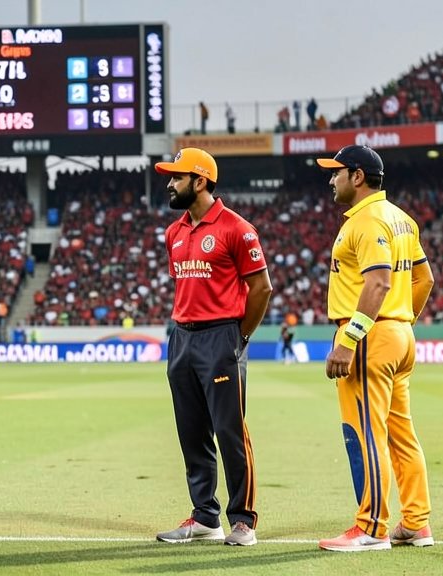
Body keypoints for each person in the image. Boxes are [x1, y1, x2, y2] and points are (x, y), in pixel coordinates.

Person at [315, 145, 435, 552]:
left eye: (337, 173)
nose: (331, 180)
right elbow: (425, 280)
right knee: (401, 434)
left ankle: (371, 528)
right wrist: (402, 320)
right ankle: (416, 523)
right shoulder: (402, 219)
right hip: (398, 334)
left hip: (368, 338)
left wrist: (350, 339)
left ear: (358, 176)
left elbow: (379, 282)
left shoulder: (365, 222)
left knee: (365, 432)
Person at [153, 148, 273, 547]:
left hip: (221, 337)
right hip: (181, 338)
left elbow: (262, 288)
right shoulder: (174, 232)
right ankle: (205, 516)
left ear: (200, 181)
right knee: (192, 432)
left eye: (177, 177)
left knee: (229, 431)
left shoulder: (237, 228)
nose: (170, 185)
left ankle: (243, 521)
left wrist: (240, 337)